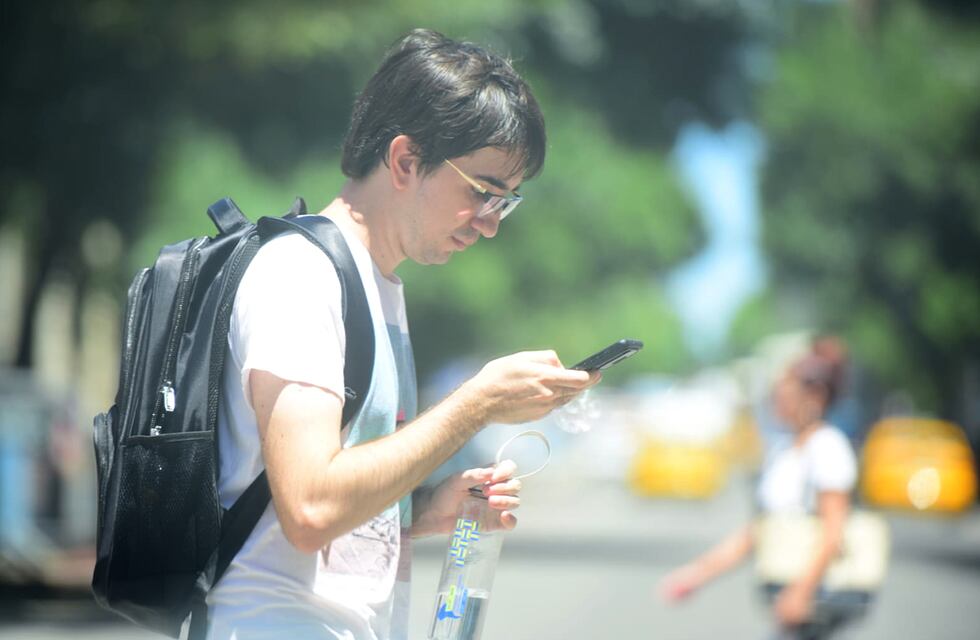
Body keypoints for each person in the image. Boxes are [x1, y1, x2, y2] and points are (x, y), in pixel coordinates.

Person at [205, 29, 600, 640]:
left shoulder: (380, 288)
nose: (491, 225)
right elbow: (310, 508)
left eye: (506, 202)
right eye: (483, 193)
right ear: (406, 160)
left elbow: (319, 522)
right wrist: (476, 405)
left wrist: (419, 510)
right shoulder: (302, 276)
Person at [659, 344, 858, 640]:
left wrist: (800, 592)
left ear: (814, 397)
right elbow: (761, 531)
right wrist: (697, 574)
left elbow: (833, 532)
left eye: (785, 392)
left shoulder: (827, 448)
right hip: (785, 601)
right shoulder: (787, 449)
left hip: (813, 601)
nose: (776, 400)